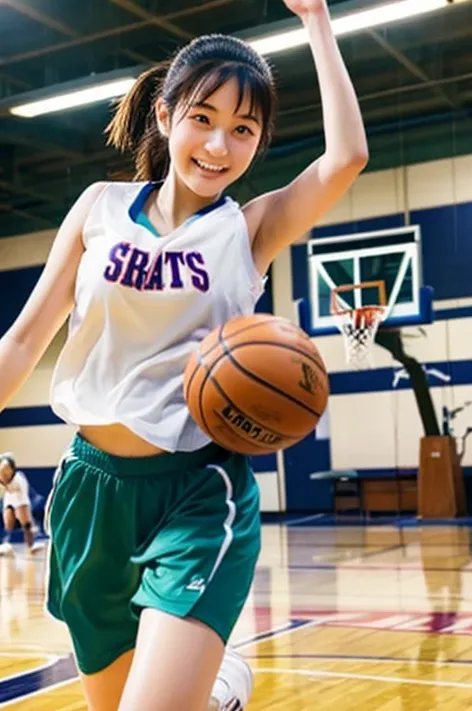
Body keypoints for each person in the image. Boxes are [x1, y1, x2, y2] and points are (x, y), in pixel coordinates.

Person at [0, 0, 368, 709]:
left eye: (244, 130)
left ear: (258, 143)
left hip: (199, 492)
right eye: (203, 118)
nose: (220, 145)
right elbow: (21, 340)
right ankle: (219, 695)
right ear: (165, 116)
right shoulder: (99, 208)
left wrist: (318, 20)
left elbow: (347, 157)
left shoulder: (249, 228)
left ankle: (214, 684)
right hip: (89, 492)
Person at [0, 452, 44, 555]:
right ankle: (6, 543)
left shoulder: (19, 480)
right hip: (9, 497)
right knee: (8, 520)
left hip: (20, 497)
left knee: (25, 522)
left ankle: (34, 541)